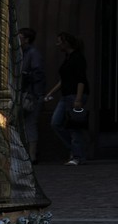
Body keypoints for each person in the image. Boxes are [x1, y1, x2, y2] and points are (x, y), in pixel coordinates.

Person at [46, 31, 89, 165]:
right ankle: (76, 150)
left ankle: (77, 156)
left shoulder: (77, 58)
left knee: (74, 126)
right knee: (56, 123)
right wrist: (51, 92)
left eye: (59, 41)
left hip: (74, 95)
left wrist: (78, 98)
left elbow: (81, 79)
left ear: (66, 43)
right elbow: (63, 79)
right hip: (66, 95)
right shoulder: (68, 58)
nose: (57, 44)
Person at [18, 28, 45, 162]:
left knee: (30, 123)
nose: (17, 39)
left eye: (20, 37)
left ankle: (32, 154)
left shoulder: (33, 53)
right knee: (25, 123)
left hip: (31, 94)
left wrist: (25, 75)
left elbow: (38, 74)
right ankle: (27, 153)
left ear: (26, 39)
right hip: (24, 93)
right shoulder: (22, 53)